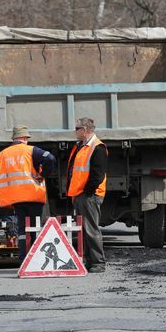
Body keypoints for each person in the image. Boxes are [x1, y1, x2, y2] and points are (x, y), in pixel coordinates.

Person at [0, 125, 56, 263]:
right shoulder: (31, 151)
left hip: (16, 198)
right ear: (25, 138)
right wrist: (43, 174)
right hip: (33, 195)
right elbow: (50, 158)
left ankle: (23, 259)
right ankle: (36, 259)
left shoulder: (2, 154)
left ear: (14, 139)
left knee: (22, 229)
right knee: (35, 227)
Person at [66, 117, 108, 273]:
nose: (75, 131)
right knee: (85, 229)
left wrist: (87, 193)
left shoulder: (97, 148)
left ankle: (98, 263)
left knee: (91, 229)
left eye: (77, 129)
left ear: (85, 130)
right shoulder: (81, 146)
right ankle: (90, 261)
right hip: (80, 194)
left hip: (89, 195)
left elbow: (97, 175)